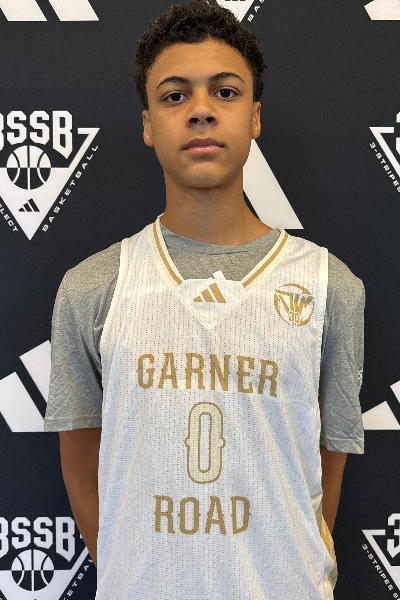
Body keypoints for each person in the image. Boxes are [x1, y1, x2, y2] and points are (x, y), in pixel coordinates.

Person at [44, 1, 365, 598]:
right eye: (175, 95)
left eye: (225, 92)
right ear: (148, 125)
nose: (200, 110)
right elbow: (83, 461)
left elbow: (324, 466)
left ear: (255, 116)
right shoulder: (93, 287)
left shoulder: (330, 286)